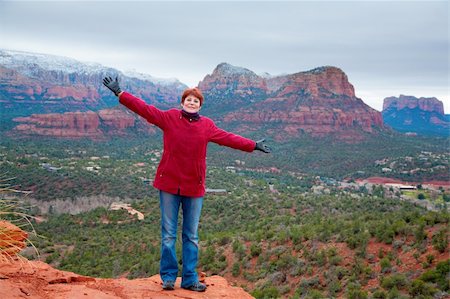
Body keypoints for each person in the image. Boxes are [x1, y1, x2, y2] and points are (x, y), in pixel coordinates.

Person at [103, 76, 271, 292]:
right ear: (182, 103)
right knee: (169, 234)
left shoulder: (207, 126)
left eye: (196, 101)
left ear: (200, 105)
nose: (192, 103)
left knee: (191, 235)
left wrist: (253, 145)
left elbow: (228, 138)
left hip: (194, 187)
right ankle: (169, 278)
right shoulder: (169, 118)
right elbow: (145, 110)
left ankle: (190, 278)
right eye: (188, 100)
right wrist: (120, 93)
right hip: (169, 185)